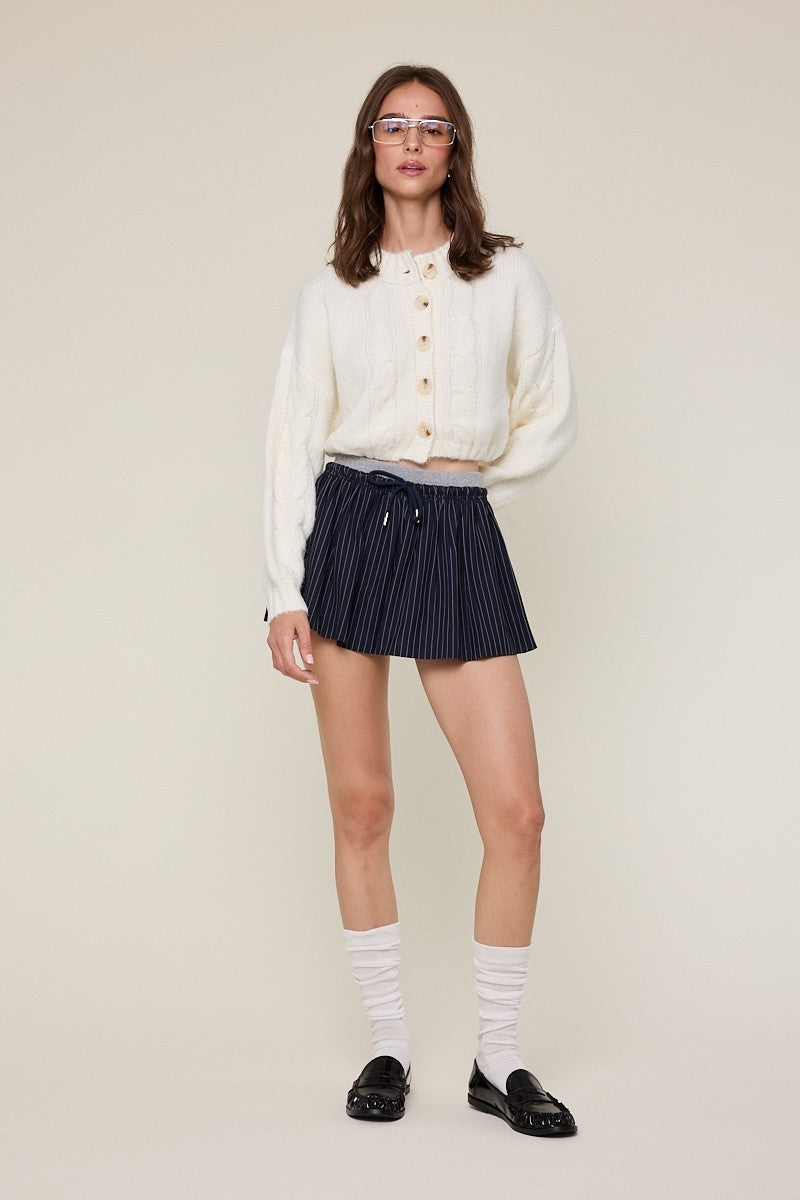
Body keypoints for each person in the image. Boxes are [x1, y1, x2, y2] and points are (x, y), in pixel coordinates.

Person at [262, 64, 578, 1137]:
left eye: (430, 127)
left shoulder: (507, 277)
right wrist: (281, 590)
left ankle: (499, 1058)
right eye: (391, 125)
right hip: (349, 526)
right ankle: (389, 1045)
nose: (410, 142)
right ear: (369, 145)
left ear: (454, 149)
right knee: (363, 806)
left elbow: (550, 406)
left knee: (517, 815)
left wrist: (472, 484)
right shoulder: (330, 292)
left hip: (453, 530)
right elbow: (291, 440)